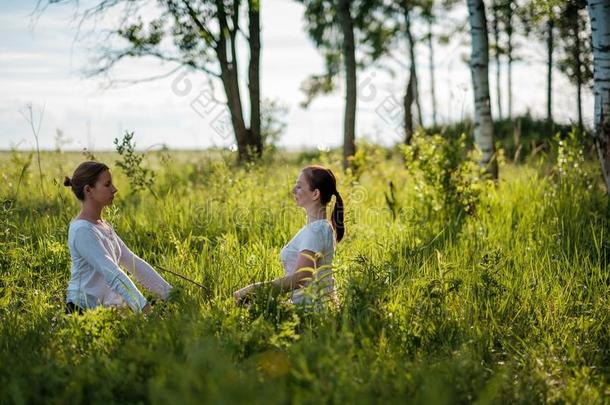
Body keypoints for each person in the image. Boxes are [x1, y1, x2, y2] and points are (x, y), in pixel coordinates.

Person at [63, 161, 172, 314]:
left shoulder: (102, 225)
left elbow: (133, 262)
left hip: (107, 311)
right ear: (88, 190)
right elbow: (112, 272)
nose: (114, 189)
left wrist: (170, 294)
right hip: (82, 312)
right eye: (107, 185)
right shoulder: (82, 230)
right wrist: (144, 308)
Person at [233, 165, 345, 305]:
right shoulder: (321, 227)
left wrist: (254, 289)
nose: (293, 190)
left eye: (299, 186)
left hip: (310, 312)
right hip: (310, 307)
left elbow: (301, 277)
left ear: (315, 194)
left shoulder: (315, 231)